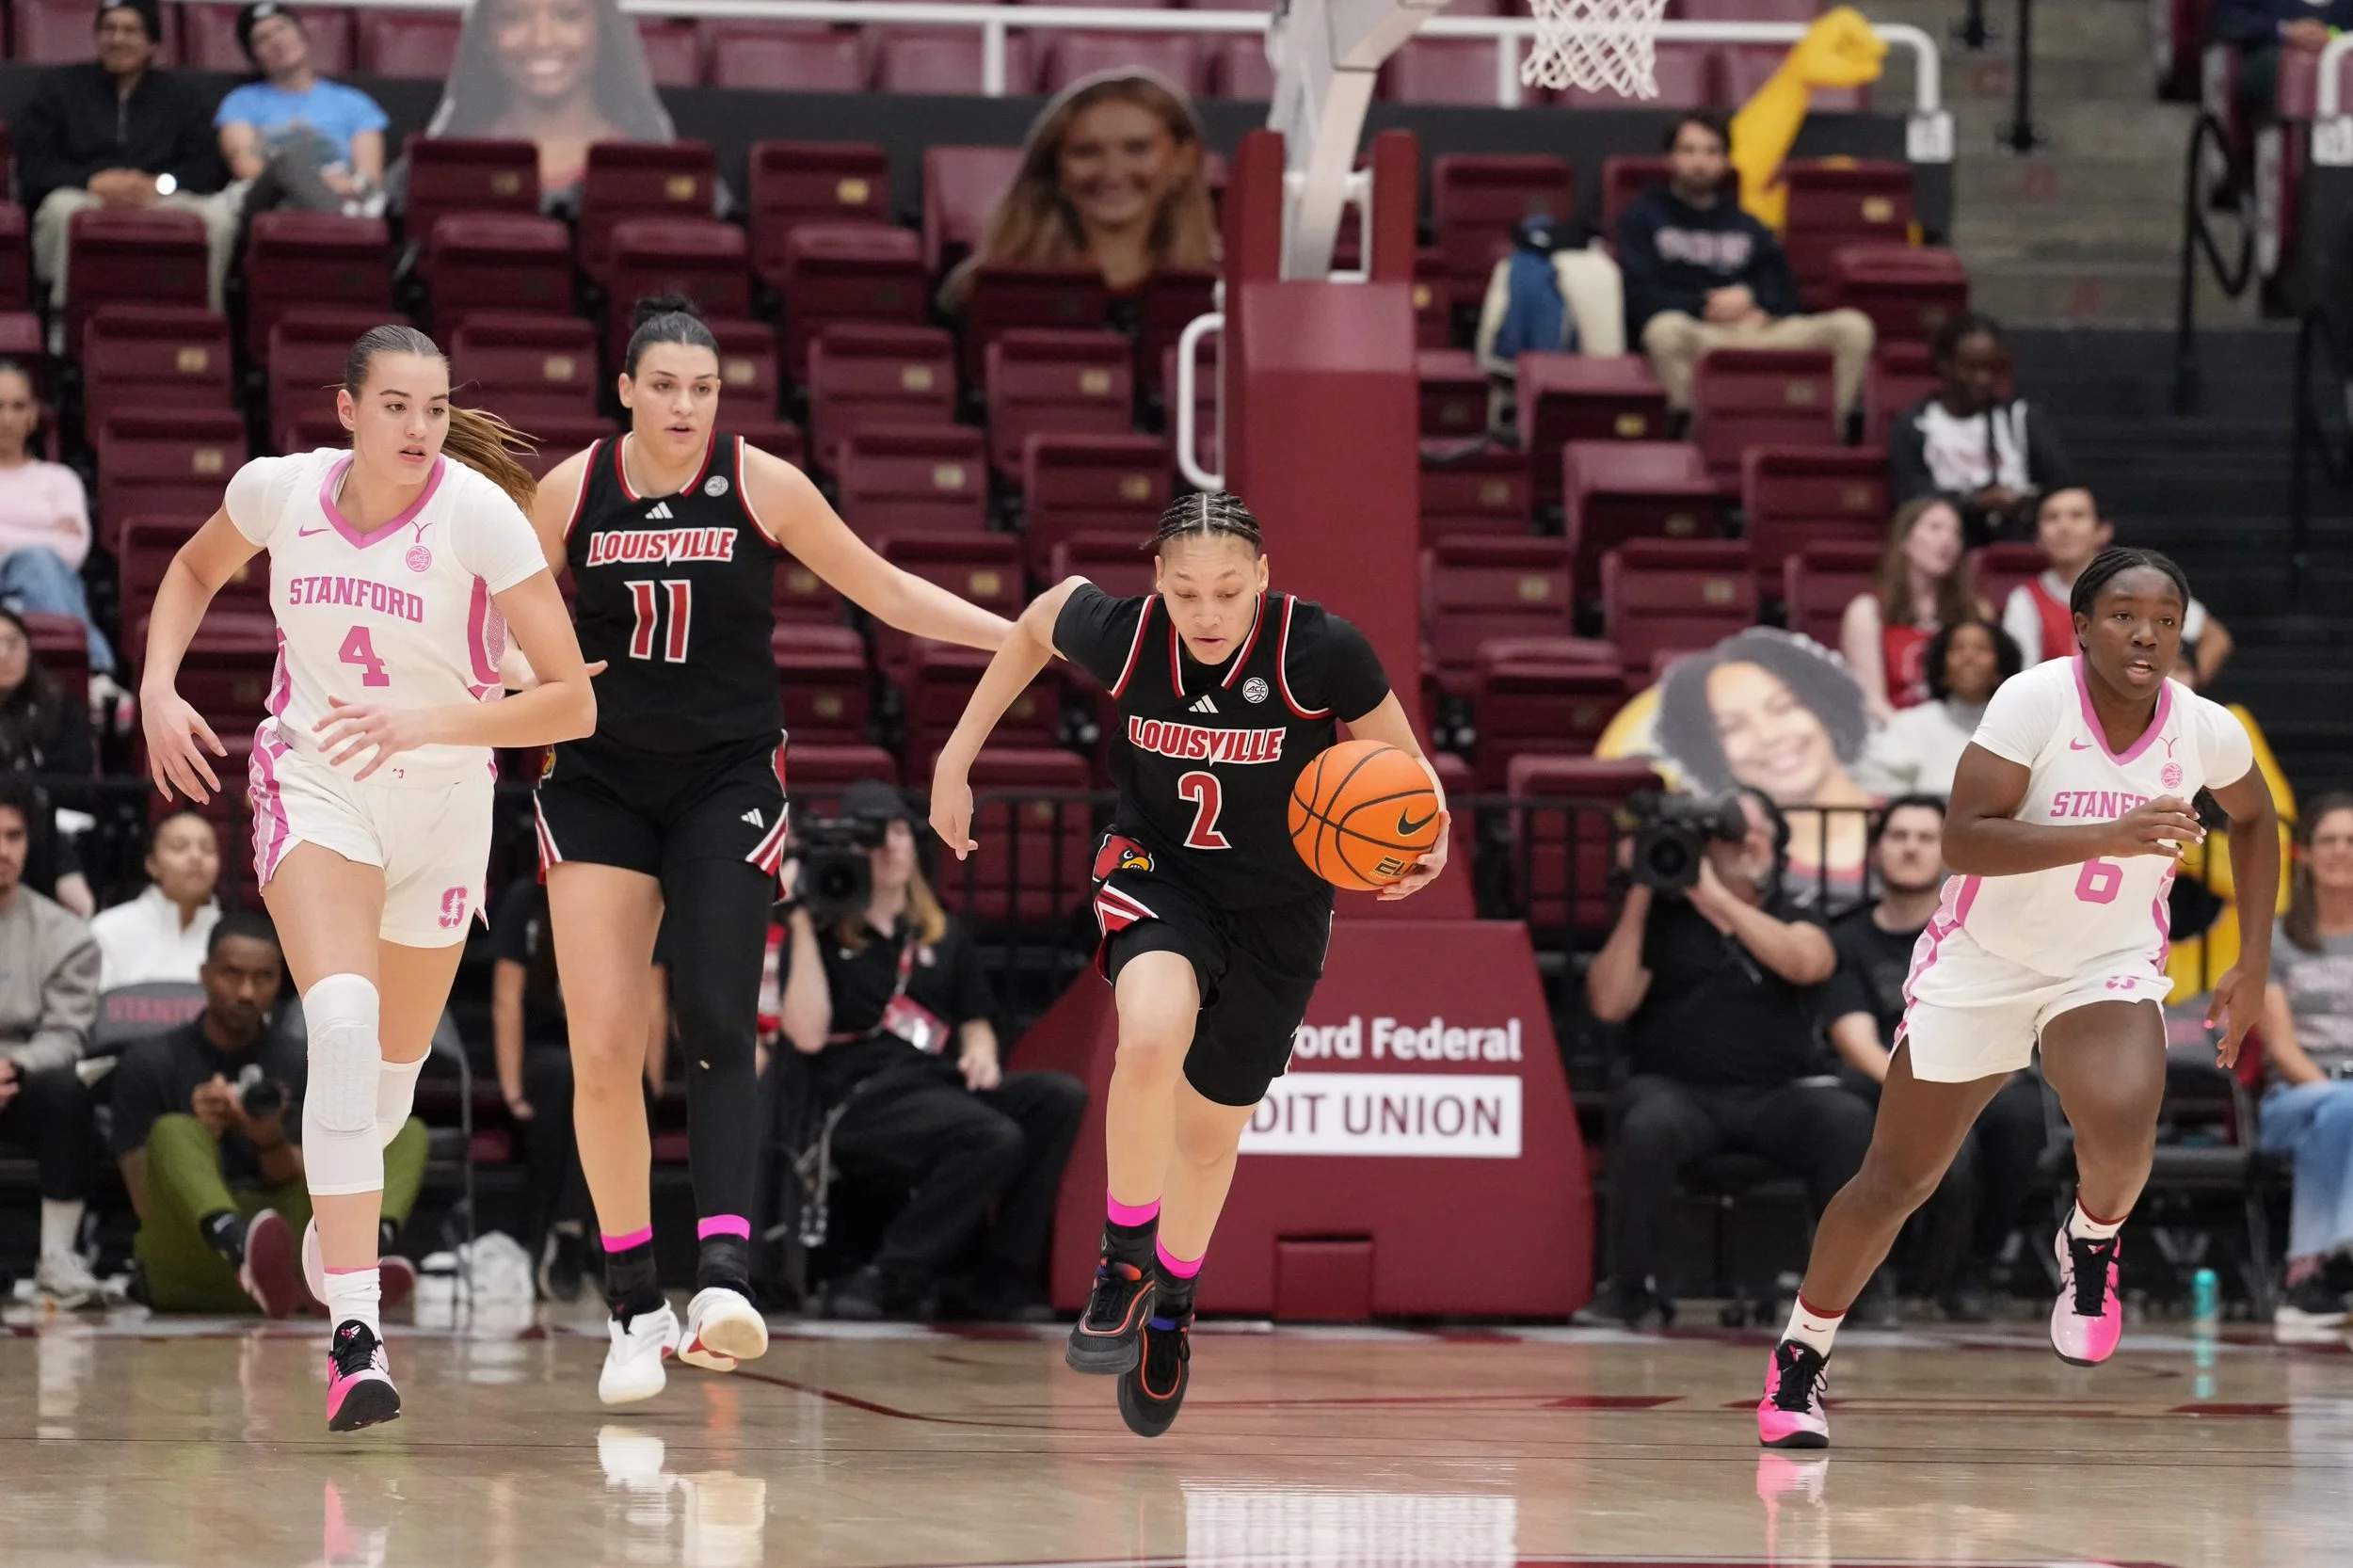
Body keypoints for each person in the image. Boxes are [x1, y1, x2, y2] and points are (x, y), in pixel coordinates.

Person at [525, 296, 1010, 1407]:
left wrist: (1021, 630)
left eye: (704, 386)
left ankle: (724, 1279)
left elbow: (882, 590)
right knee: (603, 1048)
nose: (686, 404)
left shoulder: (761, 481)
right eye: (665, 385)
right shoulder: (572, 490)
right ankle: (631, 1304)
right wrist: (513, 678)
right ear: (627, 390)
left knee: (712, 1018)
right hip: (596, 781)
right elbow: (488, 613)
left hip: (725, 782)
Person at [139, 323, 597, 1432]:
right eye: (397, 406)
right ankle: (356, 1333)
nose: (420, 428)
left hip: (443, 811)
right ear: (346, 408)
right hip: (316, 783)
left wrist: (433, 716)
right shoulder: (279, 492)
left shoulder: (479, 516)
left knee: (385, 1094)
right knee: (339, 1026)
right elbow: (195, 567)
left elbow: (573, 701)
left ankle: (327, 1231)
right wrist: (158, 684)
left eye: (435, 409)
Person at [930, 490, 1450, 1438]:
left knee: (1209, 1136)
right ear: (1158, 584)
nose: (1206, 614)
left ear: (1261, 576)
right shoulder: (1128, 635)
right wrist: (954, 758)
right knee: (1150, 1033)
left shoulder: (1321, 648)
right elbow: (1040, 618)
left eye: (1225, 591)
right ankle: (1123, 1259)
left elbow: (1408, 780)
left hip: (1280, 909)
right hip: (1157, 870)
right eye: (1184, 593)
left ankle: (1171, 1307)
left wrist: (1427, 843)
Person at [1755, 547, 2278, 1450]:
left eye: (2164, 616)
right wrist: (2112, 831)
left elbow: (2258, 818)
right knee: (1897, 1180)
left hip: (2102, 959)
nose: (2145, 631)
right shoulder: (2033, 700)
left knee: (2121, 1114)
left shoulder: (2204, 728)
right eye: (2122, 614)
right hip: (1983, 959)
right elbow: (1964, 840)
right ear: (2079, 626)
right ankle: (1803, 1354)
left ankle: (2090, 1241)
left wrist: (2256, 962)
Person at [777, 780, 1087, 1320]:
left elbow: (976, 1020)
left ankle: (1002, 1274)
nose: (892, 847)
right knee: (991, 1135)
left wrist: (983, 1052)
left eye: (899, 831)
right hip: (861, 1099)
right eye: (874, 837)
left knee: (1057, 1098)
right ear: (848, 851)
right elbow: (806, 1034)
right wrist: (801, 921)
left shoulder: (942, 933)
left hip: (937, 1088)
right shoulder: (826, 936)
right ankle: (891, 1275)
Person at [1577, 788, 1877, 1329]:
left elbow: (1807, 963)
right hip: (1682, 1093)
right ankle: (1628, 1290)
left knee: (1848, 1121)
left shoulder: (1797, 911)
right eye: (1732, 832)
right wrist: (1645, 890)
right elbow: (1609, 1002)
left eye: (1759, 831)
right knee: (1646, 1123)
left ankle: (1851, 1294)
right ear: (1706, 845)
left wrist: (1714, 898)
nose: (1747, 842)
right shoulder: (1662, 918)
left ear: (1778, 845)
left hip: (1777, 1096)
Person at [110, 910, 425, 1316]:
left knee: (404, 1131)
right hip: (193, 1261)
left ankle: (357, 1264)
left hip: (286, 1253)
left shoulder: (304, 1059)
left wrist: (267, 1138)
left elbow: (313, 1181)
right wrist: (203, 1135)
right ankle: (241, 1250)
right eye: (231, 974)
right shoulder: (150, 1062)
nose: (246, 992)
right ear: (205, 975)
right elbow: (143, 1200)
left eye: (263, 978)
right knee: (174, 1131)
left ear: (280, 982)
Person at [1823, 795, 2046, 1317]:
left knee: (2021, 1115)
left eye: (1925, 838)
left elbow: (2011, 1024)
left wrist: (1959, 1094)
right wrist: (1928, 1098)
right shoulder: (1848, 937)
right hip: (1880, 1079)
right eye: (1898, 837)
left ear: (1945, 851)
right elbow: (1854, 1040)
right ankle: (1878, 1275)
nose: (1911, 849)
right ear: (1876, 852)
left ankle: (1972, 1269)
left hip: (1973, 1077)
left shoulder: (1981, 933)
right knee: (1863, 1121)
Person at [1616, 113, 1874, 419]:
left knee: (1853, 327)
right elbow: (1639, 295)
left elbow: (1786, 292)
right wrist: (1703, 306)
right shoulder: (1643, 217)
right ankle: (1693, 438)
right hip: (1697, 330)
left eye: (1712, 152)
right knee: (1663, 332)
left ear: (1726, 162)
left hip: (1758, 328)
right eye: (1689, 151)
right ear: (1670, 158)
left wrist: (1752, 299)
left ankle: (1829, 433)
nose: (1700, 162)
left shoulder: (1747, 225)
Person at [487, 873, 667, 1302]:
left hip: (613, 1050)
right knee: (569, 1076)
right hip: (548, 1049)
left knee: (607, 1081)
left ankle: (570, 1234)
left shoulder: (635, 894)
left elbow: (654, 1000)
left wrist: (651, 1090)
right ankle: (572, 1234)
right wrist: (512, 1093)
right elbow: (506, 1000)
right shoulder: (525, 899)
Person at [16, 0, 234, 322]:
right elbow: (34, 168)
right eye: (108, 29)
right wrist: (92, 180)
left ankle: (205, 320)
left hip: (162, 195)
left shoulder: (185, 95)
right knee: (59, 211)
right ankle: (61, 318)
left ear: (153, 44)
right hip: (85, 193)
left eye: (131, 31)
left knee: (219, 220)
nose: (117, 39)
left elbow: (205, 168)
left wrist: (159, 184)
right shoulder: (59, 87)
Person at [939, 71, 1217, 312]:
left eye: (1137, 149)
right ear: (1054, 167)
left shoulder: (1226, 290)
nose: (1112, 172)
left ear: (1184, 159)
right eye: (1086, 152)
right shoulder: (980, 290)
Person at [1652, 628, 1875, 911]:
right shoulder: (1723, 854)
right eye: (1733, 727)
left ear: (1825, 709)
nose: (1769, 736)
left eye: (1782, 707)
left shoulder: (1914, 825)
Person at [0, 775, 103, 1305]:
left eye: (14, 836)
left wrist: (13, 1066)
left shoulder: (66, 935)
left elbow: (66, 1033)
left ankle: (57, 1257)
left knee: (65, 1093)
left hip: (19, 1080)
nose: (3, 850)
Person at [422, 0, 672, 209]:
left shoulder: (660, 172)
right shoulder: (436, 169)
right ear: (486, 33)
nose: (542, 40)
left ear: (603, 30)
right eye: (513, 18)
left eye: (568, 15)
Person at [2256, 794, 2353, 1332]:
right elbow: (2283, 1049)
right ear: (2307, 855)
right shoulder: (2278, 939)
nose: (2341, 850)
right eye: (2329, 840)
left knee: (2341, 1119)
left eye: (2351, 841)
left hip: (2338, 1115)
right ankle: (2337, 1264)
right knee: (2341, 1108)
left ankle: (2310, 1280)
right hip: (2291, 1100)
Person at [2002, 487, 2235, 690]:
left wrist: (2179, 696)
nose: (2064, 527)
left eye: (2077, 516)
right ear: (2037, 536)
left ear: (2103, 530)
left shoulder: (2142, 585)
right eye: (2051, 518)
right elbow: (2023, 680)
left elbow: (2216, 639)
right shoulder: (2025, 600)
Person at [1887, 312, 2069, 546]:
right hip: (1949, 547)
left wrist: (2026, 502)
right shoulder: (1914, 427)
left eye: (1992, 369)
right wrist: (1975, 503)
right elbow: (1912, 501)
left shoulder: (2022, 418)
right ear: (1945, 365)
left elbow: (2061, 486)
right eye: (1971, 368)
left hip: (2019, 541)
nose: (1983, 379)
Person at [215, 2, 390, 223]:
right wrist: (315, 181)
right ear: (254, 56)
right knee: (286, 162)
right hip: (270, 200)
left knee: (294, 208)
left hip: (342, 195)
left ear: (302, 34)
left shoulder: (353, 102)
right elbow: (247, 168)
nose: (277, 41)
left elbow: (370, 176)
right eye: (262, 39)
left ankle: (336, 220)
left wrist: (336, 187)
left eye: (282, 29)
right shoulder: (240, 103)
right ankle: (344, 221)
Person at [0, 362, 111, 680]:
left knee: (41, 566)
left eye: (18, 406)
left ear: (33, 415)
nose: (7, 418)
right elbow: (55, 546)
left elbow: (72, 550)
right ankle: (95, 674)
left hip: (41, 591)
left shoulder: (59, 479)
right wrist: (43, 535)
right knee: (38, 560)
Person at [1839, 497, 1986, 724]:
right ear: (1904, 540)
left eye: (1955, 533)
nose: (1947, 540)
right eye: (1935, 528)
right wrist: (1915, 742)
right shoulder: (1867, 612)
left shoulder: (1976, 611)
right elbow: (1871, 703)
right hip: (1895, 736)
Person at [1853, 620, 2024, 799]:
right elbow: (1875, 789)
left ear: (2001, 669)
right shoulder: (1912, 725)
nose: (1969, 658)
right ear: (1942, 668)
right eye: (1957, 649)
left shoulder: (2022, 729)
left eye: (1981, 649)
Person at [89, 808, 220, 988]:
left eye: (207, 849)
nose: (196, 857)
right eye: (179, 847)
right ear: (152, 864)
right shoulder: (108, 930)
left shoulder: (231, 936)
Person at [2212, 0, 2353, 117]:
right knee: (2291, 71)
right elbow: (2226, 18)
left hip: (2341, 59)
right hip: (2270, 55)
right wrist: (2285, 31)